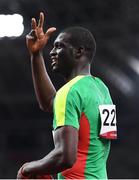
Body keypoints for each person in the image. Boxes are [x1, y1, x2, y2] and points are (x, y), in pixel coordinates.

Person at [17, 12, 117, 179]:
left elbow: (65, 157)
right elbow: (50, 103)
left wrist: (28, 168)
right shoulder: (102, 89)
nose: (52, 52)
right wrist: (36, 55)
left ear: (79, 51)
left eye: (59, 46)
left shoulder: (69, 92)